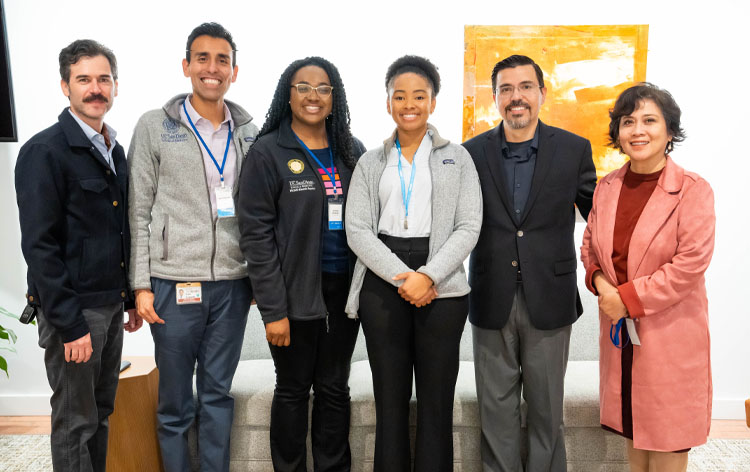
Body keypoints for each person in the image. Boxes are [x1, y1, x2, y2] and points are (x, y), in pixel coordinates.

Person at [128, 22, 257, 471]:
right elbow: (138, 210)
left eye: (222, 60)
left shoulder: (249, 132)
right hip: (172, 283)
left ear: (234, 72)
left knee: (218, 394)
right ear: (186, 66)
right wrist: (139, 286)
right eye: (202, 58)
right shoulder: (155, 127)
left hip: (233, 285)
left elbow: (258, 212)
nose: (212, 68)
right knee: (176, 399)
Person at [345, 55, 482, 472]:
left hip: (442, 284)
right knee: (390, 399)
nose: (409, 104)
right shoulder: (371, 161)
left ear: (433, 102)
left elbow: (469, 224)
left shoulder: (457, 158)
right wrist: (401, 276)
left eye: (419, 96)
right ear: (388, 104)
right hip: (382, 278)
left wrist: (428, 275)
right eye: (399, 96)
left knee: (436, 402)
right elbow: (357, 229)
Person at [462, 54, 597, 471]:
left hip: (550, 297)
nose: (515, 97)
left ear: (542, 93)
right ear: (495, 97)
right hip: (491, 296)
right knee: (496, 414)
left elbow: (600, 218)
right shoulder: (470, 153)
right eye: (505, 88)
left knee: (546, 413)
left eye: (524, 87)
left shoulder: (574, 149)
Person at [15, 39, 142, 472]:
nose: (95, 89)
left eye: (103, 79)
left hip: (107, 306)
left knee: (101, 412)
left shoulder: (114, 149)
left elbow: (115, 229)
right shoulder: (44, 152)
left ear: (115, 86)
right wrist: (69, 325)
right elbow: (39, 247)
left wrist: (126, 298)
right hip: (74, 313)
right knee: (75, 421)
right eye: (83, 79)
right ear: (65, 87)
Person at [238, 56, 365, 472]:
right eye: (304, 87)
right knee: (293, 389)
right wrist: (273, 309)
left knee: (334, 389)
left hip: (343, 292)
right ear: (287, 94)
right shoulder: (268, 152)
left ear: (335, 96)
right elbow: (256, 235)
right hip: (292, 294)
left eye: (324, 88)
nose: (314, 96)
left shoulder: (351, 149)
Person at [581, 83, 714, 472]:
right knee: (634, 434)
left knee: (668, 438)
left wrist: (626, 299)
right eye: (628, 121)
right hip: (621, 335)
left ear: (669, 131)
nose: (637, 130)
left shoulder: (693, 191)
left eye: (649, 120)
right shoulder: (607, 188)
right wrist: (605, 288)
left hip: (670, 335)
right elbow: (590, 248)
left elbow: (690, 263)